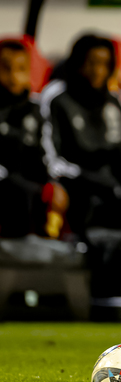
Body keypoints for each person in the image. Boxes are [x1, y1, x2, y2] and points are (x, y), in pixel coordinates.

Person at [40, 34, 121, 234]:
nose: (98, 71)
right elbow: (48, 154)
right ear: (77, 63)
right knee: (90, 200)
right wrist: (83, 176)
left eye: (105, 64)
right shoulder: (55, 96)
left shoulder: (117, 101)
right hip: (74, 180)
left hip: (114, 181)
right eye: (91, 63)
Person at [0, 39, 67, 238]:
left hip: (29, 180)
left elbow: (48, 152)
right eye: (5, 68)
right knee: (20, 190)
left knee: (51, 193)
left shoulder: (38, 108)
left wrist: (54, 183)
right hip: (5, 180)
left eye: (21, 69)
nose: (13, 76)